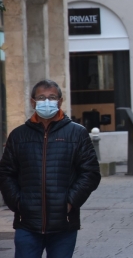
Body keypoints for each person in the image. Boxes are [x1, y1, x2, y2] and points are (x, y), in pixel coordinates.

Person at [0, 80, 101, 258]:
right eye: (41, 97)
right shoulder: (18, 135)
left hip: (64, 223)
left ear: (60, 101)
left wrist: (70, 201)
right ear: (32, 102)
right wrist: (17, 203)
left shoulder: (77, 133)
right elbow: (6, 173)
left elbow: (90, 173)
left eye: (52, 97)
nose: (47, 102)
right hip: (27, 223)